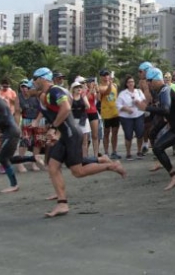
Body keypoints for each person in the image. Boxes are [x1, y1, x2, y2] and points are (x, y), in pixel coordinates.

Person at [32, 67, 126, 217]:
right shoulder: (50, 93)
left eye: (35, 78)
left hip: (71, 134)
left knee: (78, 171)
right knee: (53, 167)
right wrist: (55, 130)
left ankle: (110, 166)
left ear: (43, 78)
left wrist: (54, 128)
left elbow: (66, 107)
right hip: (65, 133)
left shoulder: (54, 91)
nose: (33, 81)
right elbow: (65, 104)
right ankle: (62, 204)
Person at [0, 83, 44, 193]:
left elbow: (4, 120)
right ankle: (33, 158)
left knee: (3, 159)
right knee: (6, 159)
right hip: (9, 132)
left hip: (11, 132)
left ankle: (14, 185)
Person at [15, 79, 45, 172]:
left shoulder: (37, 95)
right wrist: (17, 125)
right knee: (24, 141)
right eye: (23, 86)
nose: (25, 89)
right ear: (20, 88)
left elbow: (43, 109)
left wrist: (37, 120)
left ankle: (34, 162)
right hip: (26, 119)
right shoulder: (18, 97)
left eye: (27, 87)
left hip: (38, 119)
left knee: (38, 142)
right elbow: (17, 112)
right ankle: (20, 163)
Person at [117, 75, 146, 160]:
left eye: (132, 82)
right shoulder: (122, 93)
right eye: (129, 82)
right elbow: (118, 105)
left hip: (139, 114)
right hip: (126, 117)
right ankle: (128, 153)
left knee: (140, 133)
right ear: (126, 84)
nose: (131, 83)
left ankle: (139, 151)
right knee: (128, 135)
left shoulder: (139, 91)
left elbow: (144, 101)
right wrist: (126, 108)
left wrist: (139, 103)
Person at [98, 69, 120, 159]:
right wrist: (110, 83)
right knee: (106, 133)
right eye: (104, 75)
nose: (106, 77)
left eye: (107, 75)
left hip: (115, 112)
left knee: (115, 133)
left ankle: (114, 151)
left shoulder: (114, 85)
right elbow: (106, 92)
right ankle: (106, 152)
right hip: (106, 114)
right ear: (101, 77)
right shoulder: (100, 87)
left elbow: (116, 97)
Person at [70, 81, 91, 156]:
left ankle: (84, 157)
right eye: (76, 87)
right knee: (74, 140)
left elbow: (88, 106)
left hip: (83, 119)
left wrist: (83, 96)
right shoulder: (70, 97)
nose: (78, 89)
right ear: (73, 89)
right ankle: (75, 157)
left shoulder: (83, 96)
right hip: (74, 120)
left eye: (80, 87)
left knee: (84, 141)